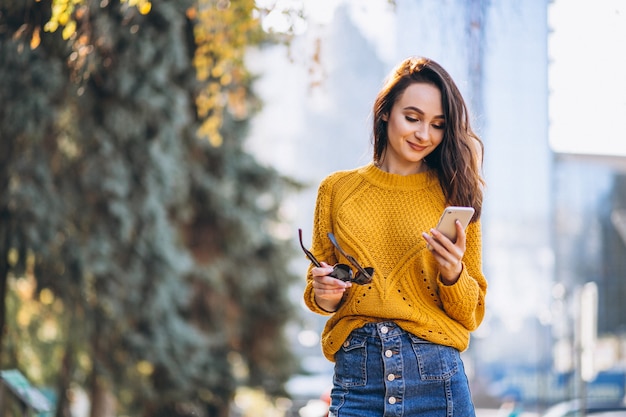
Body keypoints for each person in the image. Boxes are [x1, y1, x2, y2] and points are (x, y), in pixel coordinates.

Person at [301, 56, 487, 417]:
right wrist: (325, 291)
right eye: (412, 118)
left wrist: (452, 273)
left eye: (437, 125)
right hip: (359, 378)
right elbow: (320, 295)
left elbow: (471, 313)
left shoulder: (455, 196)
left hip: (437, 380)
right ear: (386, 112)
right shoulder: (336, 190)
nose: (423, 135)